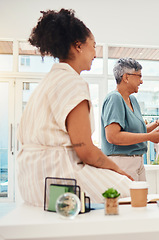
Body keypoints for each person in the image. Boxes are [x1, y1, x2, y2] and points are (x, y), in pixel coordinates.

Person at [17, 9, 133, 207]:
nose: (95, 54)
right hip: (60, 179)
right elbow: (85, 150)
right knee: (133, 191)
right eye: (93, 46)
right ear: (78, 46)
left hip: (30, 183)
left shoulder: (46, 83)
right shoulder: (72, 82)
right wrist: (119, 171)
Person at [101, 58, 159, 181]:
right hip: (121, 161)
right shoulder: (114, 99)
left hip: (137, 161)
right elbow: (113, 136)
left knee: (141, 199)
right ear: (126, 77)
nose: (141, 81)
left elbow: (138, 132)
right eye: (139, 76)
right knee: (127, 199)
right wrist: (149, 137)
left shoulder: (133, 100)